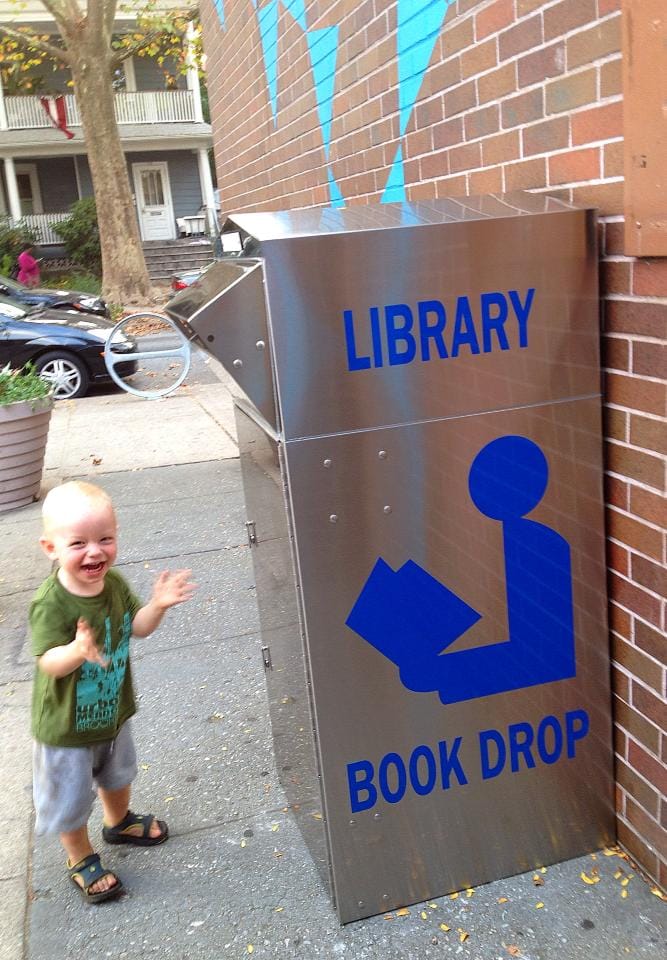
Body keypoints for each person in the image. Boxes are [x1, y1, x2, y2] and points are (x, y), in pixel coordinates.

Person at [29, 480, 196, 903]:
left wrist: (156, 605)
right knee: (70, 797)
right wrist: (76, 650)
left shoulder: (115, 584)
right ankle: (80, 856)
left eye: (105, 539)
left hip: (112, 711)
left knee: (117, 775)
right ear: (51, 548)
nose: (95, 551)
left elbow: (136, 628)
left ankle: (117, 822)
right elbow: (47, 660)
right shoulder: (52, 602)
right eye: (78, 543)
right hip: (67, 727)